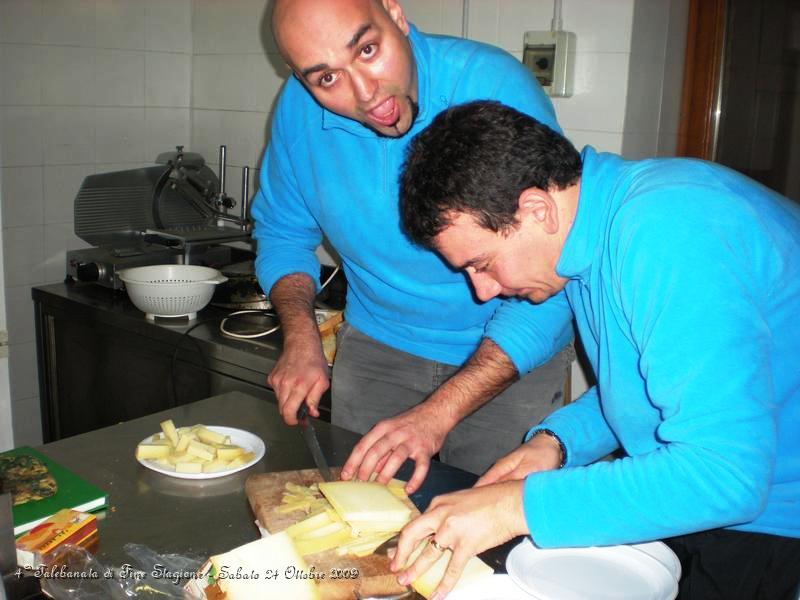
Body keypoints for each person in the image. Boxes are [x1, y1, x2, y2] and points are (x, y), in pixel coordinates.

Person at [392, 100, 800, 600]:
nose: (482, 291)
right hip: (722, 499)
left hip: (773, 517)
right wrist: (557, 444)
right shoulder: (594, 240)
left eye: (482, 263)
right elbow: (649, 386)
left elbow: (725, 476)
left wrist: (513, 507)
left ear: (537, 210)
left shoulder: (666, 233)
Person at [251, 0, 574, 492]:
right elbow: (282, 232)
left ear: (395, 15)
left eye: (367, 49)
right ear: (299, 79)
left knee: (495, 531)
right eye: (326, 79)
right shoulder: (299, 112)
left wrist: (438, 413)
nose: (365, 93)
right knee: (365, 524)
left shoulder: (493, 88)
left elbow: (551, 266)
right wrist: (300, 337)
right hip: (378, 350)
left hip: (510, 351)